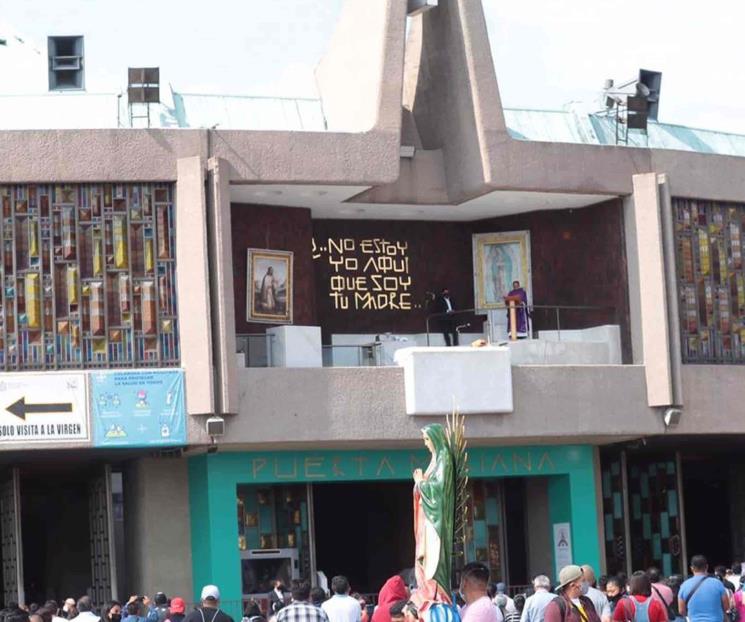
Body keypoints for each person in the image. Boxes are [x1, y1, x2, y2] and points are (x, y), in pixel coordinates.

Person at [678, 555, 729, 622]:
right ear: (707, 567)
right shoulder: (718, 583)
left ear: (691, 568)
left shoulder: (684, 586)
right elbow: (726, 607)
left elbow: (681, 611)